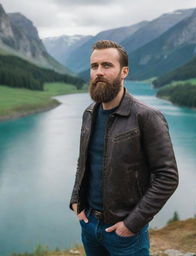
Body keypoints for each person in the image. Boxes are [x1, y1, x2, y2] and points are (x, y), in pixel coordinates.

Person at [69, 40, 178, 256]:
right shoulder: (89, 113)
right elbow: (85, 162)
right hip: (89, 224)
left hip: (125, 234)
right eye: (94, 66)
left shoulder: (147, 117)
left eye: (107, 65)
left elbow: (167, 177)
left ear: (124, 72)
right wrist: (75, 200)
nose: (99, 72)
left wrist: (131, 224)